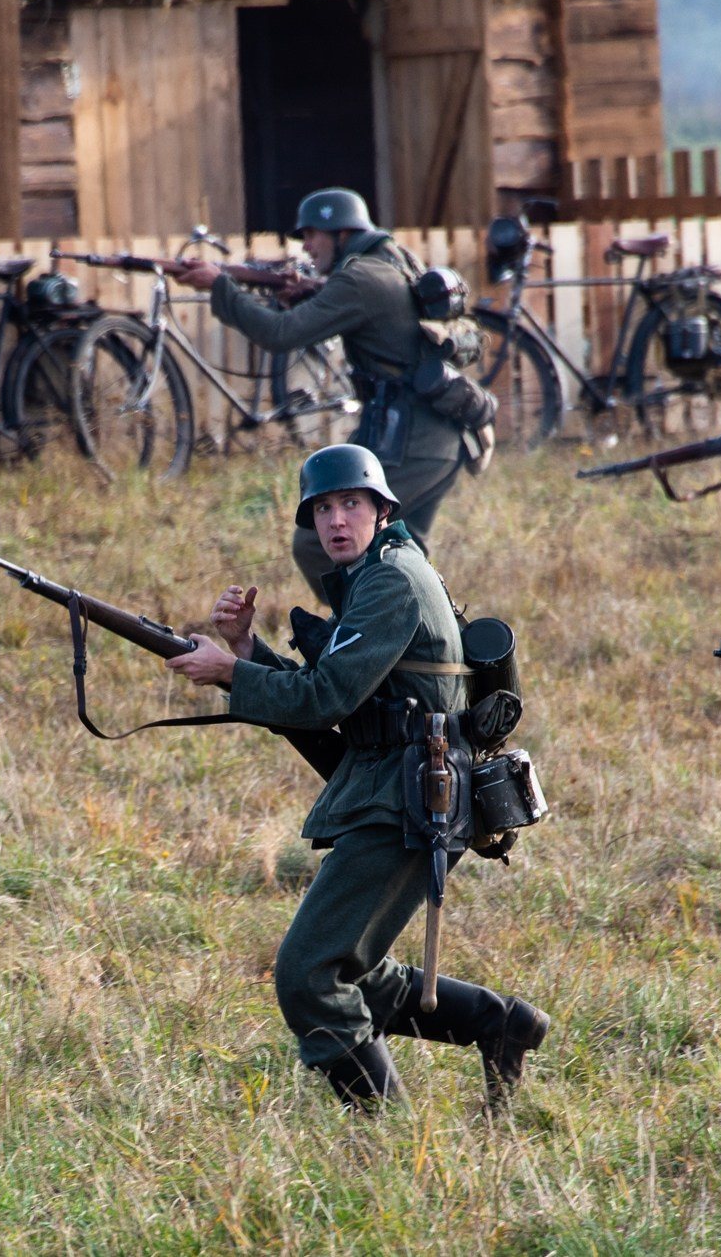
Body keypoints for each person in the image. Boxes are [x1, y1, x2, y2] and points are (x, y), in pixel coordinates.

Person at [165, 443, 548, 1112]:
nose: (336, 520)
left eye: (350, 504)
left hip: (415, 797)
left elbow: (325, 698)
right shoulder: (376, 575)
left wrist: (231, 673)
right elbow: (341, 693)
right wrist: (248, 652)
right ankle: (500, 1024)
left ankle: (384, 1130)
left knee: (309, 973)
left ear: (382, 510)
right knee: (353, 970)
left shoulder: (391, 582)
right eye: (322, 508)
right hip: (400, 788)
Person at [173, 188, 495, 596]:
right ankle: (419, 646)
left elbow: (279, 333)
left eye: (311, 234)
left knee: (317, 543)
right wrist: (310, 293)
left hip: (410, 440)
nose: (305, 245)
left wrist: (221, 286)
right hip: (436, 437)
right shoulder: (390, 260)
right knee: (404, 556)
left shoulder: (358, 278)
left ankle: (364, 635)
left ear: (340, 232)